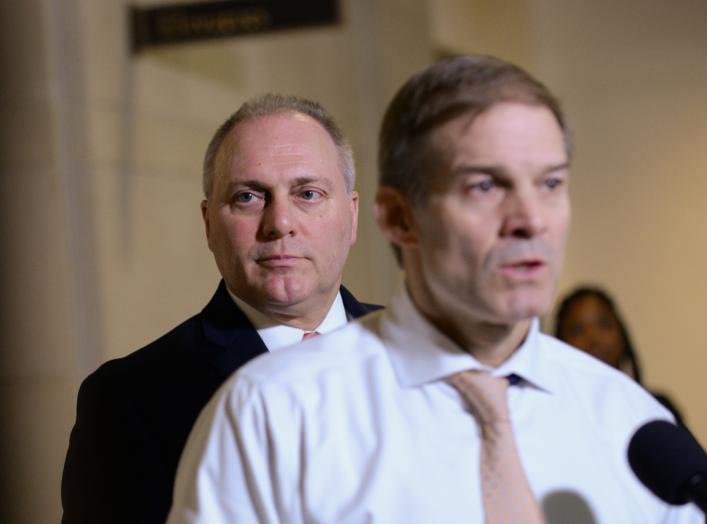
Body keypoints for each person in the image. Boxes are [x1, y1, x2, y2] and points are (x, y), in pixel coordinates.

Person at [167, 56, 701, 523]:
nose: (530, 220)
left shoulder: (631, 424)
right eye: (485, 186)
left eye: (550, 183)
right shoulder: (275, 413)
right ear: (399, 218)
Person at [61, 94, 381, 524]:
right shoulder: (127, 401)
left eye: (308, 193)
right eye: (249, 197)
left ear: (353, 215)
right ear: (209, 222)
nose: (279, 222)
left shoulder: (430, 353)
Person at [555, 285, 685, 425]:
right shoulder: (552, 416)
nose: (594, 339)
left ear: (622, 334)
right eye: (578, 330)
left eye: (604, 324)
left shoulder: (657, 409)